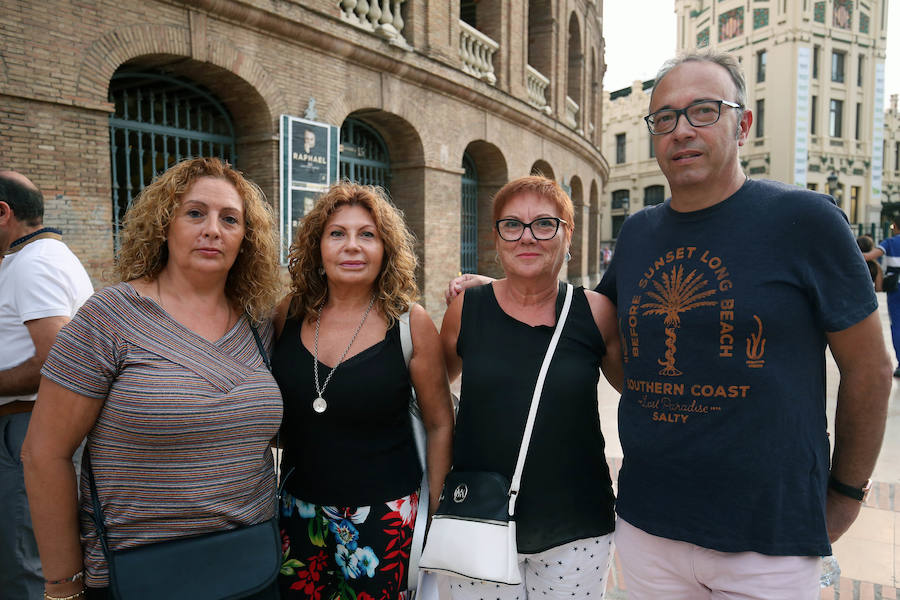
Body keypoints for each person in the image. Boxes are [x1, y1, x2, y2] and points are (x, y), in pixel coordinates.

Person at [448, 51, 892, 600]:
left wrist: (845, 494)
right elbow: (586, 327)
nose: (682, 130)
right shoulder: (638, 235)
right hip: (648, 527)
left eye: (704, 111)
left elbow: (870, 367)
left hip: (767, 537)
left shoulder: (805, 221)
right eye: (665, 118)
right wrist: (495, 291)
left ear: (742, 123)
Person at [21, 157, 284, 599]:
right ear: (165, 224)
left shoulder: (259, 325)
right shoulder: (109, 317)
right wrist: (62, 585)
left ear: (246, 239)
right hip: (137, 573)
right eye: (194, 212)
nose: (212, 229)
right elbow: (44, 453)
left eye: (230, 219)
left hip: (250, 564)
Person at [440, 175, 622, 599]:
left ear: (567, 232)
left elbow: (643, 392)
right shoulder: (466, 310)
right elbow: (431, 404)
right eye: (512, 225)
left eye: (544, 224)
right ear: (497, 237)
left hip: (577, 528)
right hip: (478, 521)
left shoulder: (596, 313)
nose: (528, 237)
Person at [272, 182, 454, 600]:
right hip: (298, 513)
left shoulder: (410, 323)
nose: (351, 245)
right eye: (337, 233)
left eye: (367, 234)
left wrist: (438, 509)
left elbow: (440, 422)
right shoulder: (288, 314)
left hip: (385, 518)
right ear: (317, 247)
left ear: (385, 249)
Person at [0, 171, 93, 599]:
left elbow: (57, 360)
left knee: (26, 562)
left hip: (27, 427)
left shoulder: (36, 263)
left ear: (3, 213)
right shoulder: (34, 258)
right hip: (24, 426)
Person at [862, 216, 900, 375]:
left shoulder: (890, 243)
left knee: (897, 325)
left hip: (896, 288)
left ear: (895, 227)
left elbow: (869, 256)